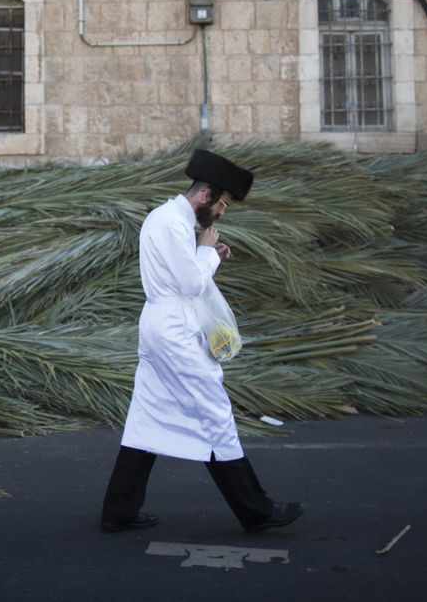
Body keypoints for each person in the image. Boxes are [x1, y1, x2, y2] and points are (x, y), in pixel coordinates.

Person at [99, 148, 305, 534]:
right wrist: (207, 251)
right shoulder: (175, 224)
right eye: (223, 204)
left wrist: (206, 254)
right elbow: (192, 283)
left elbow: (184, 273)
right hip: (175, 329)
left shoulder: (163, 218)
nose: (223, 212)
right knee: (215, 413)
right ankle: (255, 510)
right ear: (206, 194)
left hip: (159, 324)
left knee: (147, 415)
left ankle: (118, 510)